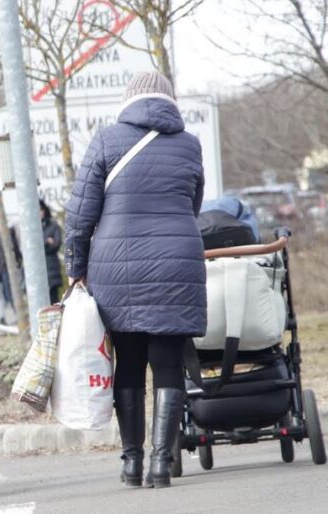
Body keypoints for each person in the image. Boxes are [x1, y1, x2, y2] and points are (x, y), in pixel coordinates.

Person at [64, 71, 205, 490]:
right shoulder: (190, 145)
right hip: (176, 265)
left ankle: (132, 462)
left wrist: (76, 267)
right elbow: (193, 202)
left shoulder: (107, 140)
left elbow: (79, 214)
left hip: (116, 268)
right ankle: (162, 464)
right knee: (167, 365)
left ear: (128, 100)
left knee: (127, 364)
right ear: (168, 101)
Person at [0, 206, 21, 323]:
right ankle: (15, 312)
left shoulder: (9, 230)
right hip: (0, 268)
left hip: (11, 266)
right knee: (6, 294)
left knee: (14, 292)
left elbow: (15, 247)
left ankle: (19, 314)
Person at [39, 200, 64, 304]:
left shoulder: (53, 225)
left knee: (53, 301)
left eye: (40, 210)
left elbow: (56, 245)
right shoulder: (31, 228)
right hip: (39, 269)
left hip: (52, 268)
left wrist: (44, 245)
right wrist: (46, 241)